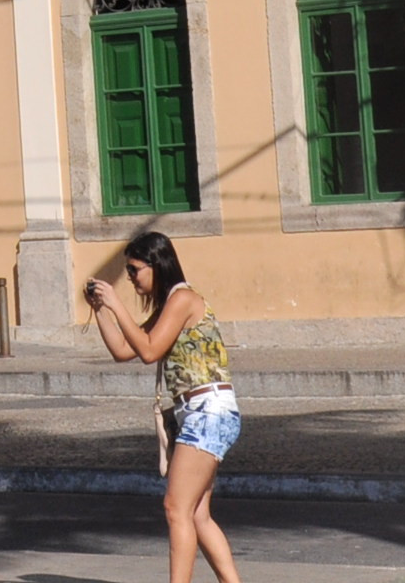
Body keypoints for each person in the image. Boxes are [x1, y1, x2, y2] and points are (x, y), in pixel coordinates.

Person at [87, 229, 242, 583]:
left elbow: (149, 350)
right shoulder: (168, 306)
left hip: (208, 411)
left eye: (134, 270)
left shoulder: (183, 298)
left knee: (175, 509)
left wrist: (116, 304)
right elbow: (124, 350)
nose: (130, 278)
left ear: (156, 265)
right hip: (202, 414)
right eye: (127, 272)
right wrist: (101, 311)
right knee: (197, 514)